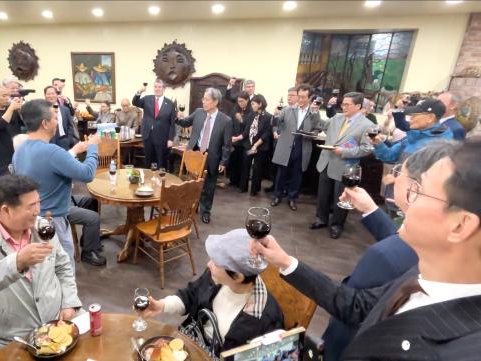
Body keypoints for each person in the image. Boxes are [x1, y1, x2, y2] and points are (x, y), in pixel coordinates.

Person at [250, 138, 481, 360]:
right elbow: (356, 306)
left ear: (460, 226)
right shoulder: (422, 277)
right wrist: (285, 261)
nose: (406, 203)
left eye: (418, 192)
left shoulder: (460, 350)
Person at [321, 141, 456, 360]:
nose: (393, 178)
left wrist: (287, 264)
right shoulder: (441, 235)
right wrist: (371, 210)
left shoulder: (384, 256)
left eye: (398, 172)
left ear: (416, 187)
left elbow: (351, 310)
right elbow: (401, 238)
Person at [0, 175, 81, 358]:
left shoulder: (42, 228)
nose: (37, 211)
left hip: (56, 326)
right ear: (6, 210)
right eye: (30, 206)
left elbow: (63, 266)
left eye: (38, 203)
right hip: (10, 340)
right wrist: (17, 262)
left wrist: (70, 302)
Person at [143, 229, 283, 354]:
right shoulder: (216, 278)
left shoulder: (266, 319)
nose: (209, 264)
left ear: (238, 276)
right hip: (190, 345)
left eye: (216, 263)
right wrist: (162, 306)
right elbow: (190, 295)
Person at [11, 99, 105, 266]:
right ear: (45, 123)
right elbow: (87, 174)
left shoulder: (20, 150)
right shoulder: (52, 151)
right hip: (54, 220)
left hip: (33, 219)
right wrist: (93, 147)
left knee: (46, 268)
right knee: (64, 268)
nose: (57, 121)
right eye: (55, 117)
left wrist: (76, 150)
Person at [311, 92, 373, 239]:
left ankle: (336, 225)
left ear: (358, 106)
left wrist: (345, 151)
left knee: (341, 198)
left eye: (347, 105)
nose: (343, 107)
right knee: (323, 195)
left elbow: (367, 148)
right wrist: (314, 111)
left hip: (345, 167)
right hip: (326, 162)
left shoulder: (368, 125)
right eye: (343, 104)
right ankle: (321, 219)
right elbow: (319, 124)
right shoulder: (337, 118)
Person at [176, 88, 233, 224]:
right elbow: (185, 122)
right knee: (191, 183)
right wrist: (178, 117)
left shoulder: (225, 120)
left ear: (215, 102)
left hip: (211, 156)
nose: (203, 101)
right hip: (195, 153)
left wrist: (223, 162)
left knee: (209, 186)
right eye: (204, 99)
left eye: (206, 99)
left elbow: (226, 144)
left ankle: (205, 211)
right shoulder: (198, 112)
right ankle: (190, 207)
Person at [271, 84, 323, 211]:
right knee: (281, 173)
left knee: (297, 175)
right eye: (299, 96)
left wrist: (313, 134)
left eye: (303, 97)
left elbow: (317, 128)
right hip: (285, 145)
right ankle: (277, 196)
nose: (300, 100)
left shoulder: (313, 112)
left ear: (310, 98)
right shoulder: (288, 109)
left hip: (302, 146)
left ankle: (292, 198)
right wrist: (276, 126)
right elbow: (278, 123)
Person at [371, 98, 453, 164]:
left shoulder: (440, 146)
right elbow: (390, 155)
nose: (410, 118)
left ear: (430, 118)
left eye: (415, 115)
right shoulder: (415, 135)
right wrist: (378, 144)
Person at [133, 79, 177, 169]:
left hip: (162, 138)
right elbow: (135, 102)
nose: (157, 89)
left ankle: (161, 181)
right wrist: (139, 91)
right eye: (155, 87)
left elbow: (172, 123)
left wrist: (170, 139)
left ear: (164, 89)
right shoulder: (147, 99)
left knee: (161, 163)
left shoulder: (170, 104)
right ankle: (148, 181)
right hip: (148, 136)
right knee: (148, 162)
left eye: (159, 87)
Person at [238, 94, 273, 195]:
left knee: (257, 169)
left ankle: (254, 190)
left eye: (253, 104)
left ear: (260, 104)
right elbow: (247, 131)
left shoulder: (268, 117)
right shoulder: (251, 115)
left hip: (260, 147)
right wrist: (237, 137)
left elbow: (266, 134)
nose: (251, 106)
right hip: (249, 145)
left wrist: (256, 145)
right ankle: (243, 187)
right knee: (245, 165)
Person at [229, 91, 253, 188]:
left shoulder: (251, 111)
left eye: (242, 101)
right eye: (238, 101)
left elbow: (249, 127)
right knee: (234, 161)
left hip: (245, 141)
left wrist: (241, 120)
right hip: (235, 140)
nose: (240, 103)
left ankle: (242, 184)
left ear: (247, 100)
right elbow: (230, 122)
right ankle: (233, 180)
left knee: (244, 164)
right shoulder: (235, 109)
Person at [45, 86, 77, 151]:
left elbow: (70, 126)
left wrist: (69, 140)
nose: (51, 96)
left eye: (53, 93)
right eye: (48, 94)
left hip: (64, 141)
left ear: (57, 95)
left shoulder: (65, 110)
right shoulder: (42, 110)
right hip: (48, 142)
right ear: (45, 96)